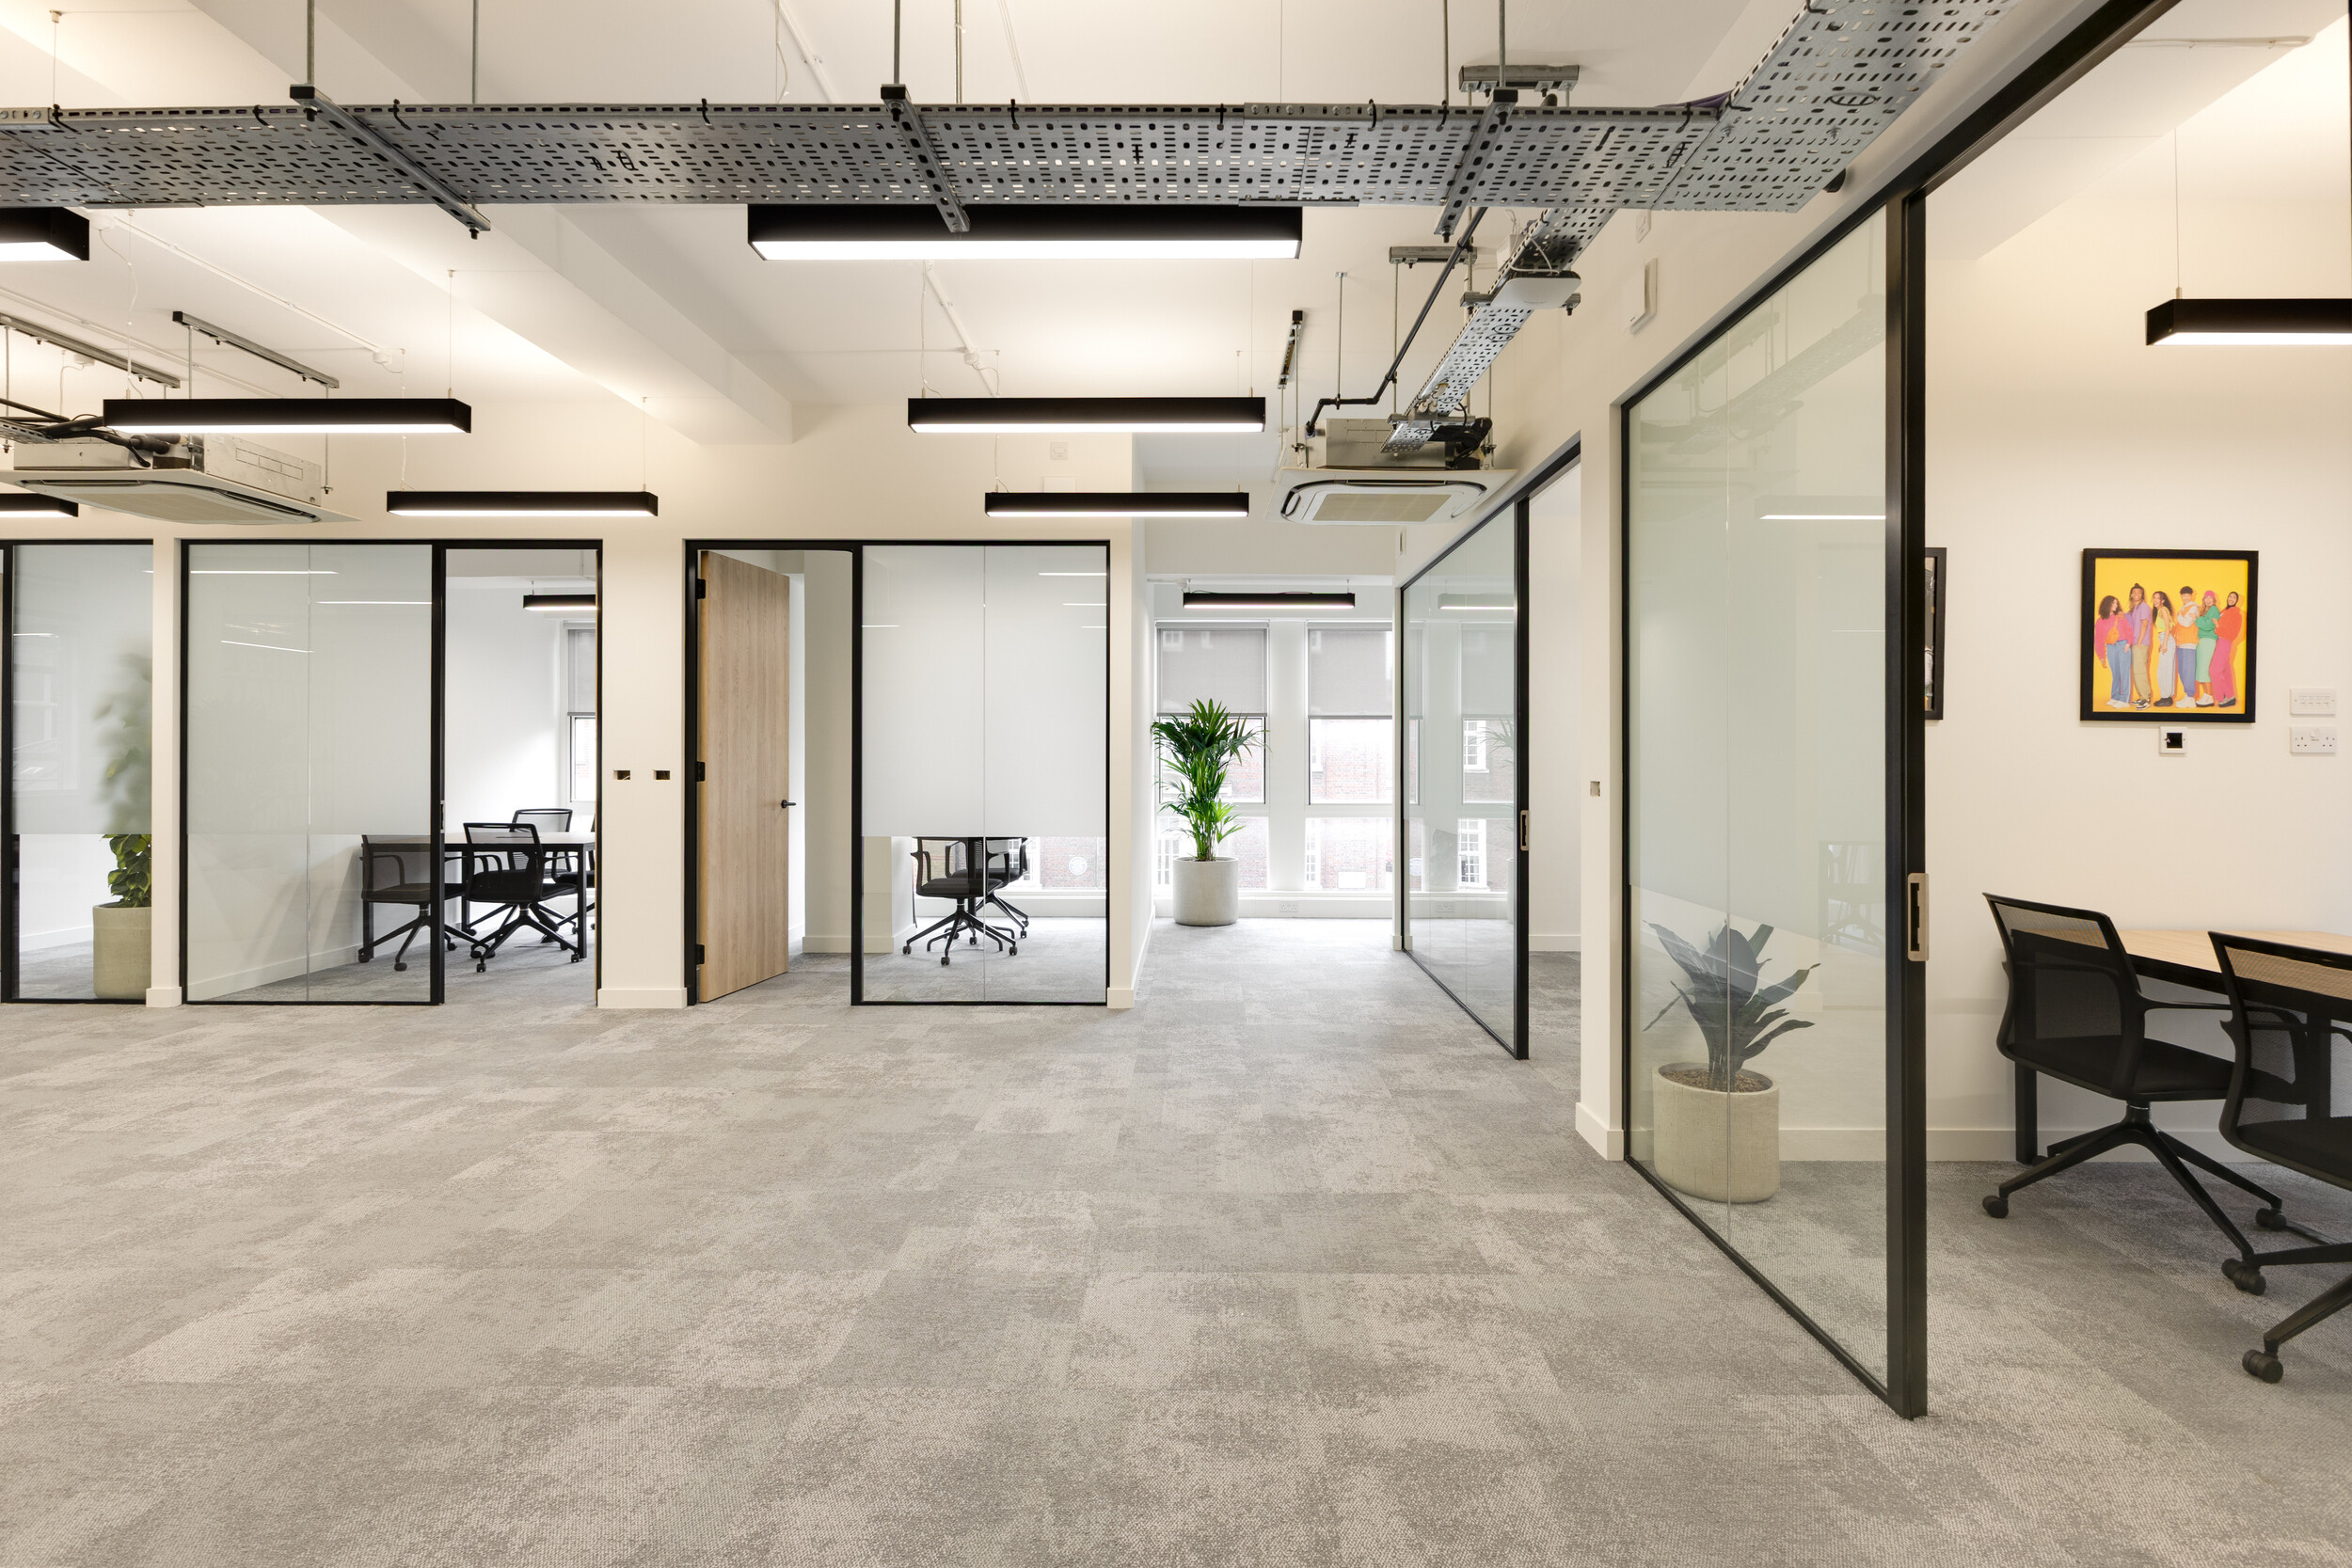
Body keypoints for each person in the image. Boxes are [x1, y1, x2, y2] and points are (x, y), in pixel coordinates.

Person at [2094, 594, 2130, 708]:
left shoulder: (2119, 616)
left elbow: (2129, 630)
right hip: (2110, 647)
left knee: (2124, 673)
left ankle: (2124, 700)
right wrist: (2100, 655)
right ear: (2107, 604)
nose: (2115, 605)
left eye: (2116, 603)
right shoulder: (2100, 621)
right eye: (2113, 603)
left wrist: (2128, 643)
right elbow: (2098, 639)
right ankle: (2115, 697)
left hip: (2123, 645)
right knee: (2115, 673)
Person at [2213, 589, 2244, 708]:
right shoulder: (2225, 611)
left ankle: (2229, 696)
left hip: (2225, 641)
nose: (2231, 599)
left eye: (2234, 598)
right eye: (2230, 596)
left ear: (2237, 601)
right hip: (2219, 641)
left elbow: (2232, 633)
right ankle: (2228, 697)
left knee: (2214, 670)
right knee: (2225, 671)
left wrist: (2217, 626)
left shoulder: (2236, 614)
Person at [2124, 583, 2152, 707]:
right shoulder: (2133, 608)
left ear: (2142, 595)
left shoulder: (2144, 607)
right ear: (2131, 594)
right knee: (2136, 670)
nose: (2136, 594)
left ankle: (2146, 699)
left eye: (2139, 592)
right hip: (2134, 643)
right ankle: (2142, 696)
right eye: (2134, 592)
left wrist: (2139, 641)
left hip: (2140, 643)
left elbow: (2145, 624)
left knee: (2140, 670)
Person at [2192, 590, 2220, 707]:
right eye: (2206, 598)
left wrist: (2197, 619)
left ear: (2214, 600)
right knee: (2201, 670)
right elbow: (2205, 624)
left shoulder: (2214, 610)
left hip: (2208, 641)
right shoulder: (2204, 611)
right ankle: (2206, 695)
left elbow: (2208, 626)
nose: (2208, 600)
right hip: (2202, 640)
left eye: (2210, 598)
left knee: (2204, 669)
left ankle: (2209, 697)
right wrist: (2201, 620)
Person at [2150, 589, 2177, 707]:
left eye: (2158, 598)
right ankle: (2168, 697)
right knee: (2167, 669)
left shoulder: (2163, 610)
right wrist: (2162, 643)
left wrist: (2165, 643)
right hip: (2166, 640)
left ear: (2163, 600)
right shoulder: (2159, 611)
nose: (2155, 600)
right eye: (2154, 597)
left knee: (2163, 671)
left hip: (2168, 640)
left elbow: (2167, 628)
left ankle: (2166, 697)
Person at [2174, 584, 2201, 702]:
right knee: (2182, 670)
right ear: (2181, 596)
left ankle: (2190, 697)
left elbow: (2186, 623)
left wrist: (2179, 615)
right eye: (2183, 596)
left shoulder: (2193, 608)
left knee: (2188, 670)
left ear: (2191, 596)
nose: (2186, 598)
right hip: (2181, 643)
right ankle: (2187, 696)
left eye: (2188, 596)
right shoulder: (2183, 608)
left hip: (2189, 643)